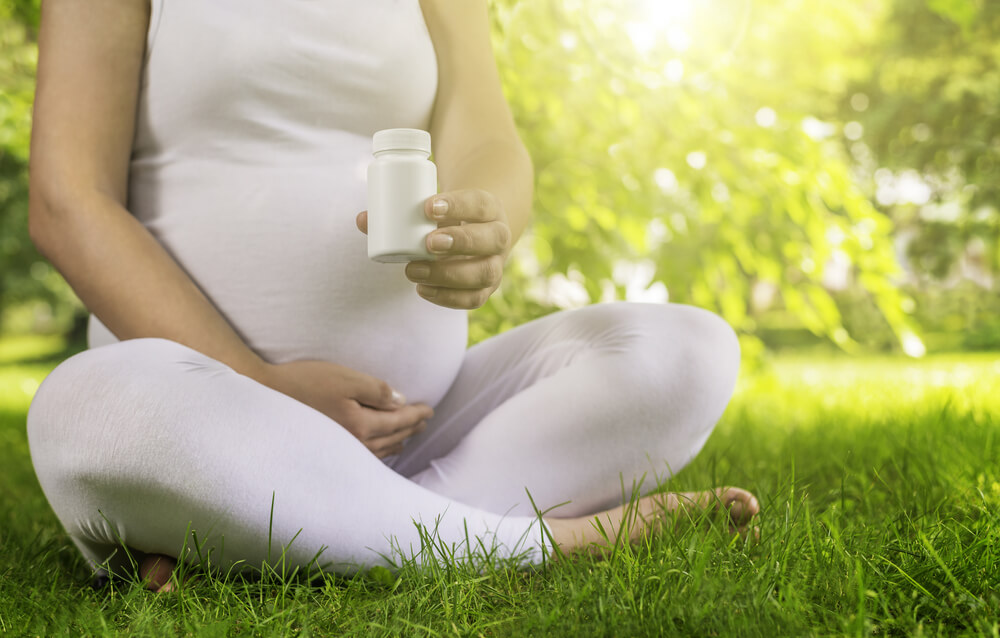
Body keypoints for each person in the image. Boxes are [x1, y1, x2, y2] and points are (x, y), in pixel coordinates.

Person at [25, 0, 759, 593]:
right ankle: (548, 543)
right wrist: (260, 387)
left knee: (685, 352)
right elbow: (68, 199)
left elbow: (486, 137)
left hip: (415, 425)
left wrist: (489, 220)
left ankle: (299, 533)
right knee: (87, 405)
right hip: (200, 418)